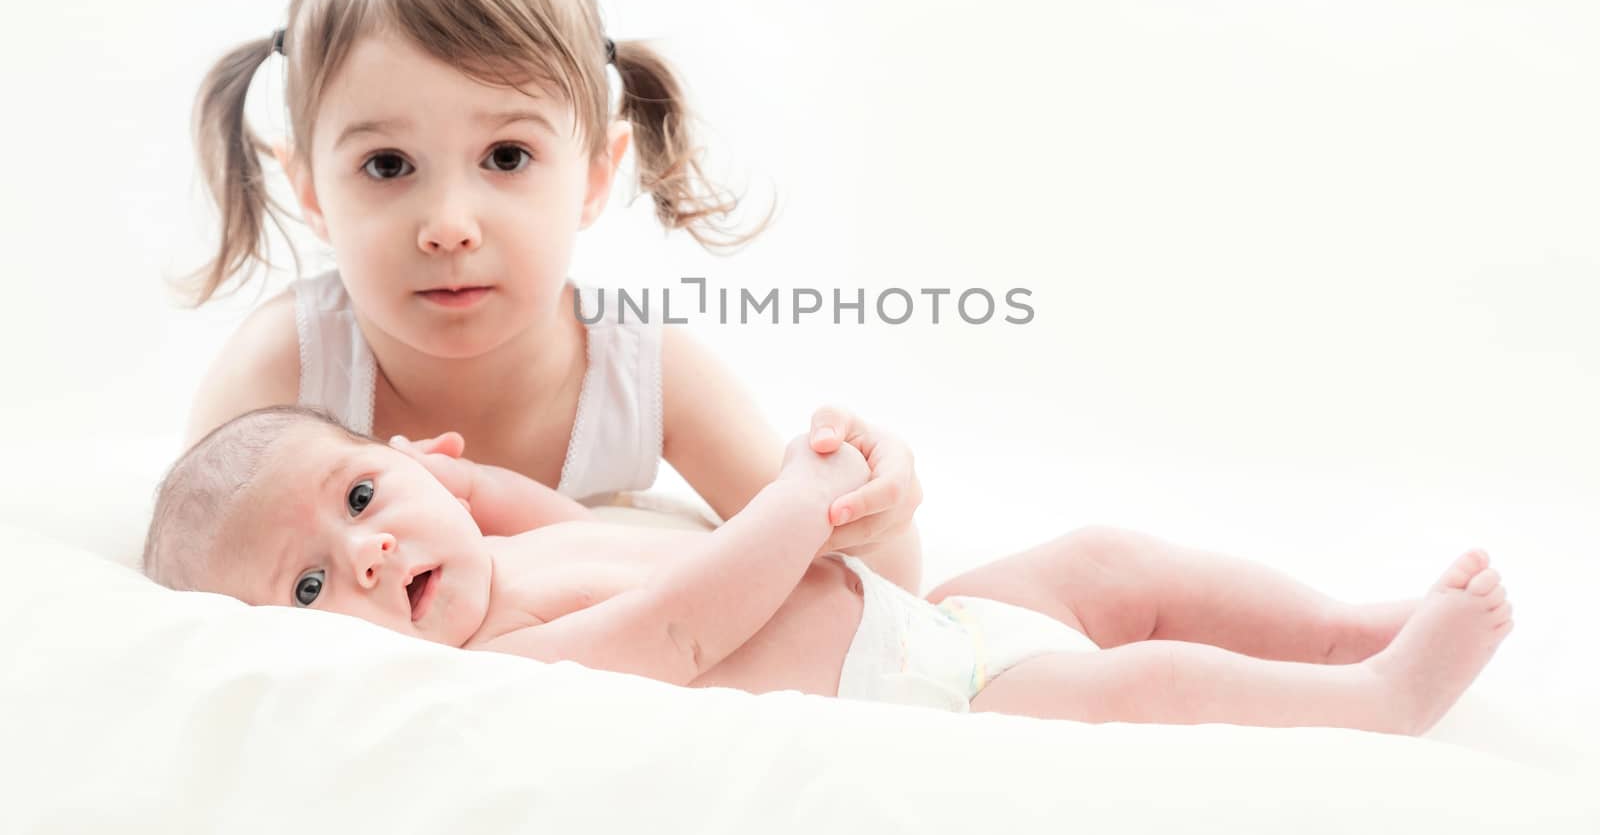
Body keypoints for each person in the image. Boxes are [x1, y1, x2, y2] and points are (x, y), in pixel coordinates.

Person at [181, 0, 923, 591]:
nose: (449, 224)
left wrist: (872, 504)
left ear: (598, 172)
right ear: (310, 188)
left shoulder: (638, 371)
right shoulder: (287, 367)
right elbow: (192, 580)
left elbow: (860, 579)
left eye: (506, 157)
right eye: (387, 165)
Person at [144, 406, 1514, 732]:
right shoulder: (507, 659)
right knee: (1136, 677)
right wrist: (799, 501)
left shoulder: (507, 535)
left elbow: (518, 500)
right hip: (949, 695)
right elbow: (683, 623)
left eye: (364, 494)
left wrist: (467, 480)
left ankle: (1340, 623)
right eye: (313, 586)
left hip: (933, 617)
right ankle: (1378, 703)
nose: (369, 550)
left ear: (423, 456)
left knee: (1105, 557)